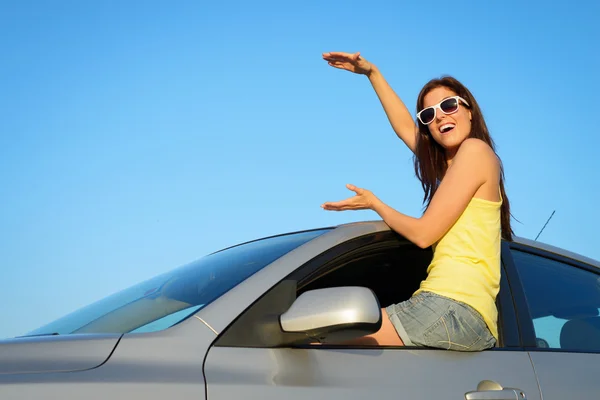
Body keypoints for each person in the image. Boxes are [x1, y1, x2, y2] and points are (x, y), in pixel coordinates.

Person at [320, 51, 513, 351]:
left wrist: (376, 204)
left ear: (469, 110)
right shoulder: (453, 169)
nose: (440, 117)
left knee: (323, 344)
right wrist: (372, 73)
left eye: (448, 105)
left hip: (452, 305)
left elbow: (424, 235)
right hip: (463, 313)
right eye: (428, 115)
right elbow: (403, 128)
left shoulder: (475, 151)